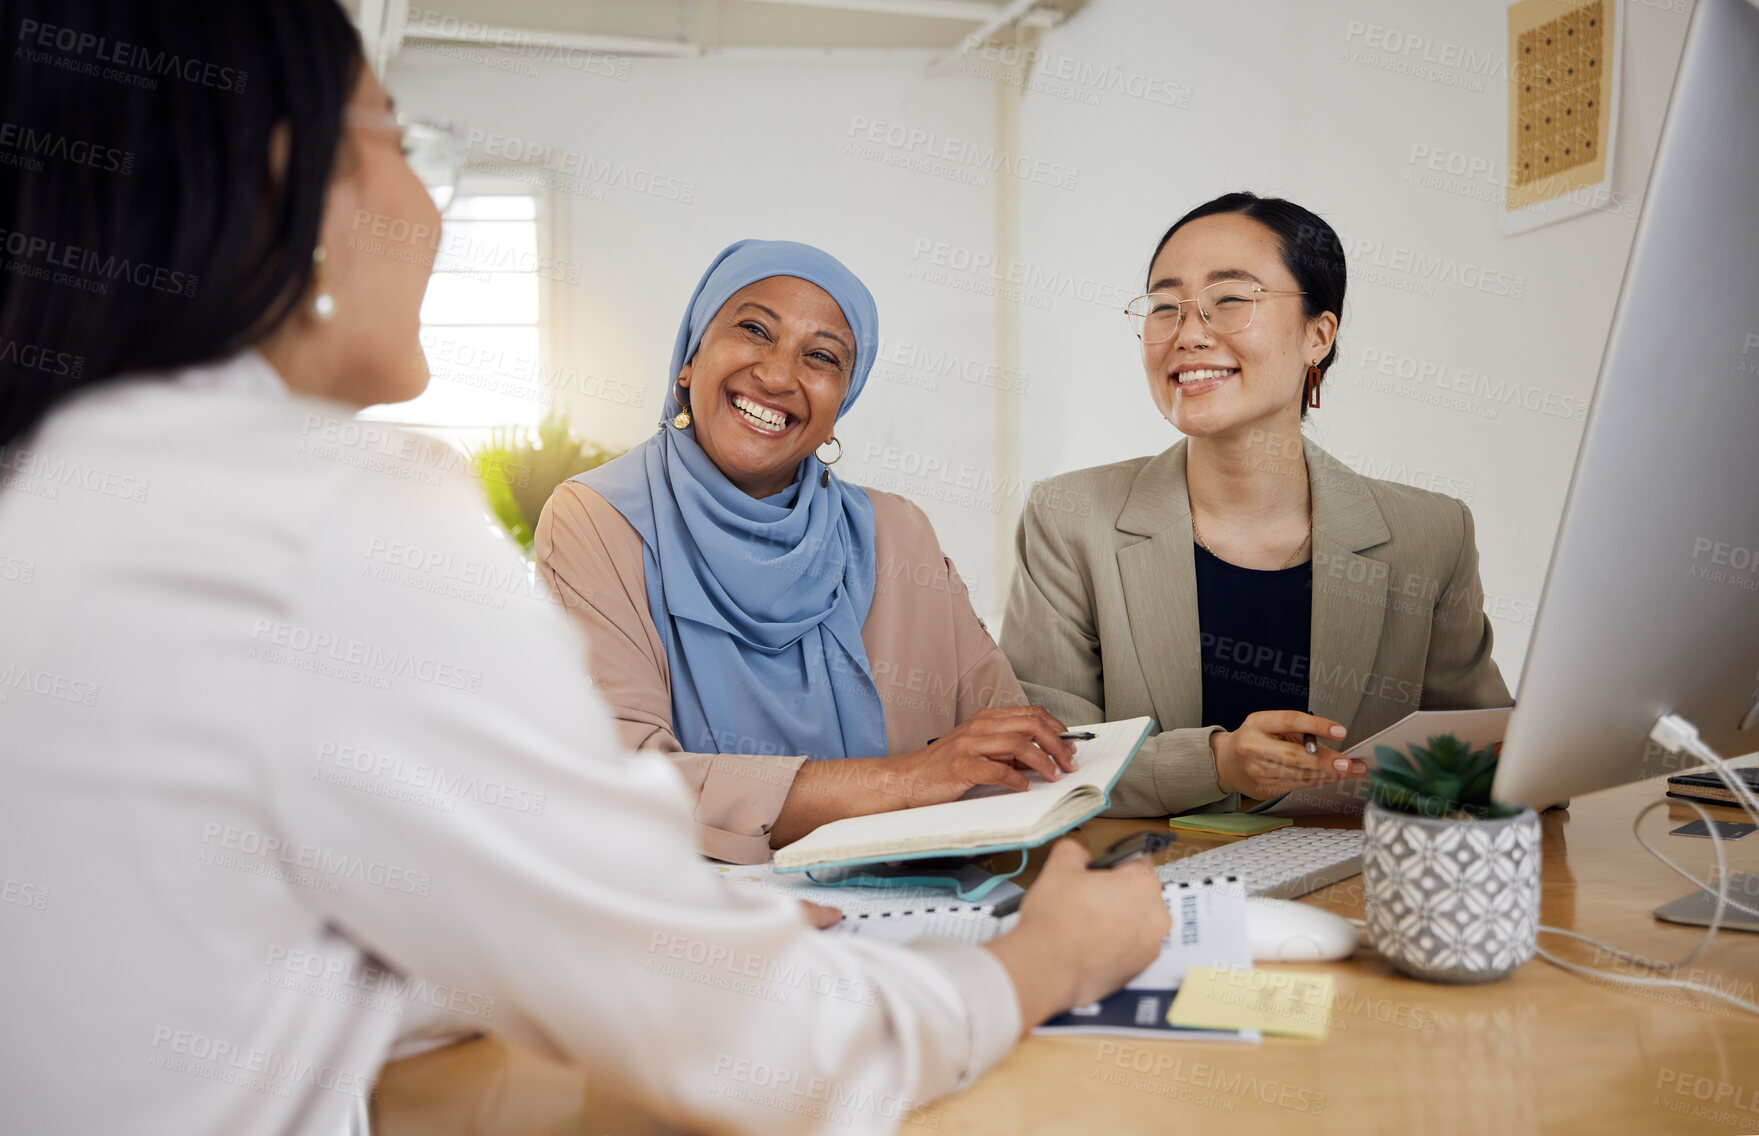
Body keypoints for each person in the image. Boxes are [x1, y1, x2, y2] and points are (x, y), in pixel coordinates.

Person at [0, 3, 1170, 1132]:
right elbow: (763, 1054)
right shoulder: (340, 510)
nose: (428, 195)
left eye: (825, 356)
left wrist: (637, 918)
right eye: (403, 140)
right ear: (282, 180)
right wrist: (1042, 960)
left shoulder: (60, 489)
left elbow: (253, 935)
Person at [536, 240, 1079, 862]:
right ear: (689, 359)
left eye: (820, 357)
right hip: (703, 929)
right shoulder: (597, 520)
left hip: (913, 908)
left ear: (841, 402)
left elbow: (1002, 738)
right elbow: (622, 780)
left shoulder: (896, 532)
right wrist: (905, 780)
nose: (776, 375)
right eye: (753, 330)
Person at [1002, 192, 1511, 817]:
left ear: (1317, 336)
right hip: (1146, 888)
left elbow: (1485, 755)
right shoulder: (1070, 516)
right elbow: (1052, 762)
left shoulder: (1431, 533)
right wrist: (1217, 764)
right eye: (1166, 307)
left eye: (1231, 300)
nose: (1189, 334)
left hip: (1354, 892)